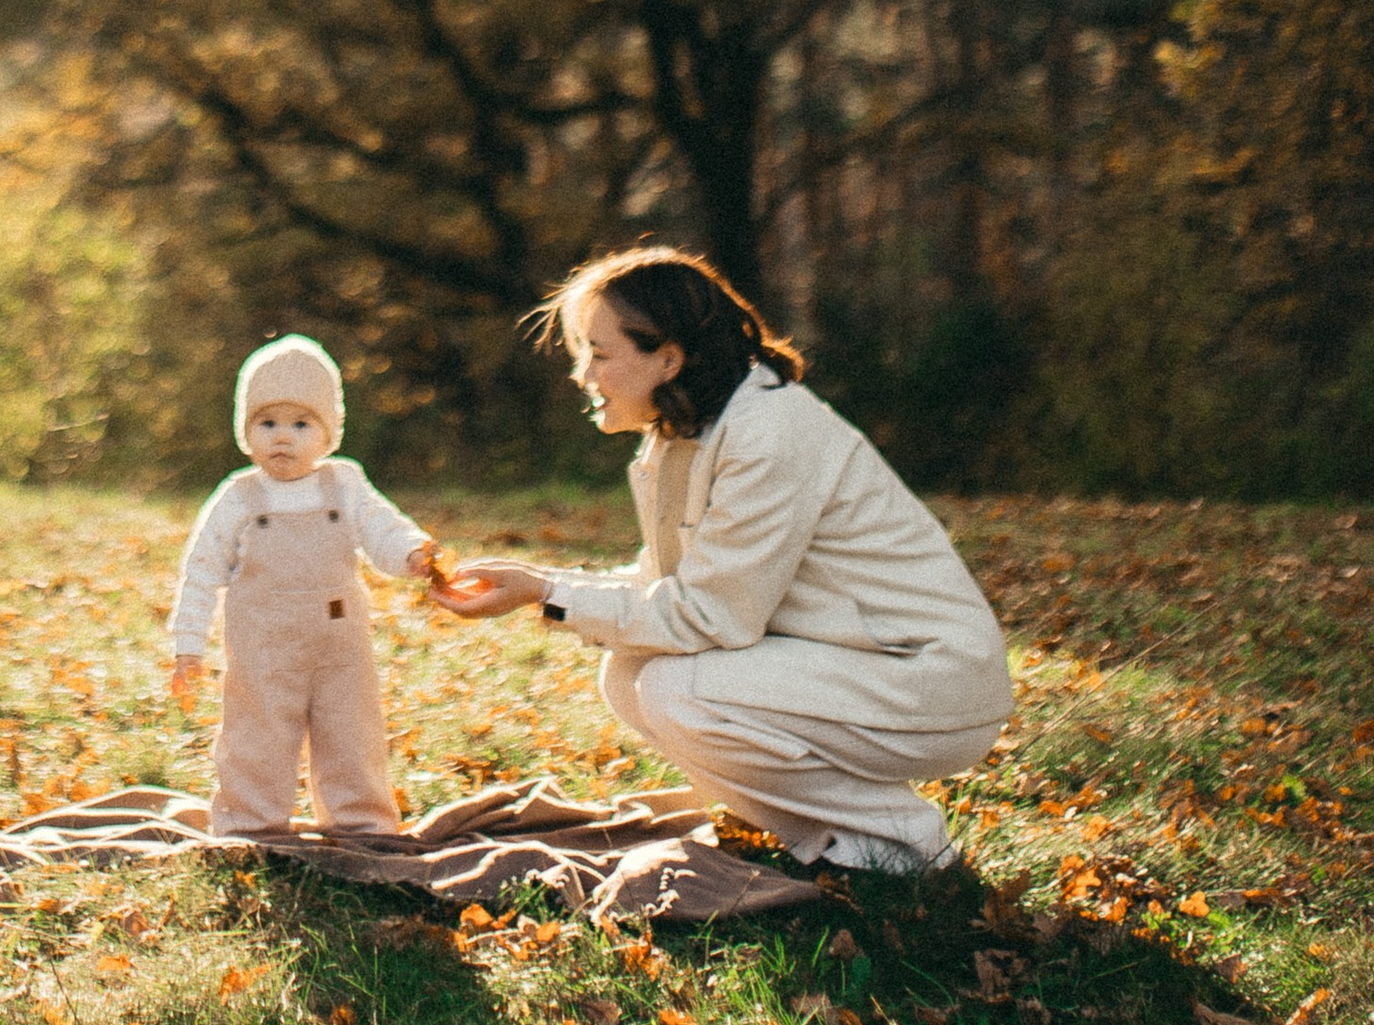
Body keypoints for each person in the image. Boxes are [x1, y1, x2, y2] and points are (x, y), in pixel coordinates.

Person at [431, 246, 1009, 877]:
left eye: (598, 353)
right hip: (854, 668)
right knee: (628, 675)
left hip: (925, 678)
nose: (582, 374)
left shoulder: (767, 431)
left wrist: (543, 591)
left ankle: (906, 843)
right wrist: (532, 588)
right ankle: (834, 842)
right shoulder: (685, 436)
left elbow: (712, 617)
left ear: (668, 358)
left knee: (677, 688)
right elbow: (662, 590)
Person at [168, 332, 438, 838]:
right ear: (245, 430)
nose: (283, 437)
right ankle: (251, 823)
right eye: (266, 423)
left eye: (301, 423)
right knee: (257, 734)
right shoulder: (239, 497)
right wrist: (189, 646)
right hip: (261, 648)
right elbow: (200, 571)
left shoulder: (345, 484)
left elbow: (384, 529)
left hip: (340, 642)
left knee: (351, 731)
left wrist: (413, 553)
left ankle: (360, 824)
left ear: (329, 433)